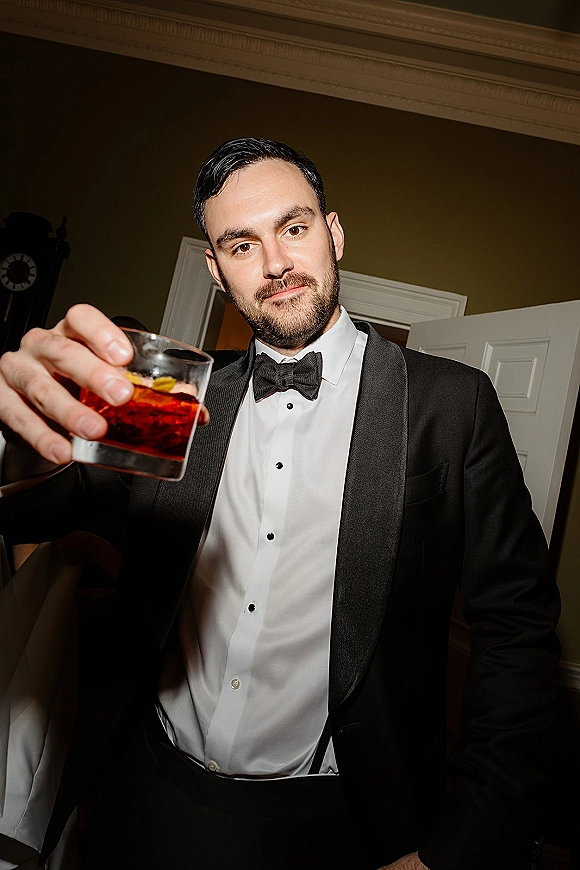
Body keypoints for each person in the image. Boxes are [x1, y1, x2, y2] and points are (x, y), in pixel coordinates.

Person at [0, 138, 560, 870]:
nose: (274, 264)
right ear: (214, 267)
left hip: (345, 822)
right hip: (148, 794)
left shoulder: (450, 406)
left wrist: (458, 847)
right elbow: (43, 507)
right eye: (240, 243)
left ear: (332, 232)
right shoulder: (168, 396)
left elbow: (517, 629)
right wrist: (19, 439)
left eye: (293, 228)